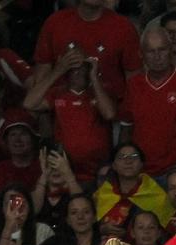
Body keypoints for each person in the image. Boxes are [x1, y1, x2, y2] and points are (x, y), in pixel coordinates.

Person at [119, 28, 176, 177]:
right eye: (151, 51)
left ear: (170, 51)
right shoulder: (134, 85)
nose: (157, 56)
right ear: (141, 55)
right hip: (141, 173)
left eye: (162, 50)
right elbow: (126, 129)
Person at [23, 47, 115, 185]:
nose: (78, 72)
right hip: (66, 173)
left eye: (82, 67)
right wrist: (58, 70)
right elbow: (29, 103)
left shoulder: (101, 91)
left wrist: (94, 78)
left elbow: (109, 114)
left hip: (99, 174)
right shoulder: (58, 93)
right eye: (73, 68)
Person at [32, 0, 141, 103]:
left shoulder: (123, 28)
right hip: (61, 112)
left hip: (111, 113)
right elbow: (40, 78)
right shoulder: (54, 23)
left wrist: (126, 119)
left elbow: (135, 81)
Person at [93, 143, 175, 235]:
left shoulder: (155, 193)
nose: (128, 161)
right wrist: (101, 229)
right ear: (114, 165)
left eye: (134, 156)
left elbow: (172, 231)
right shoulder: (102, 195)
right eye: (121, 157)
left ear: (141, 164)